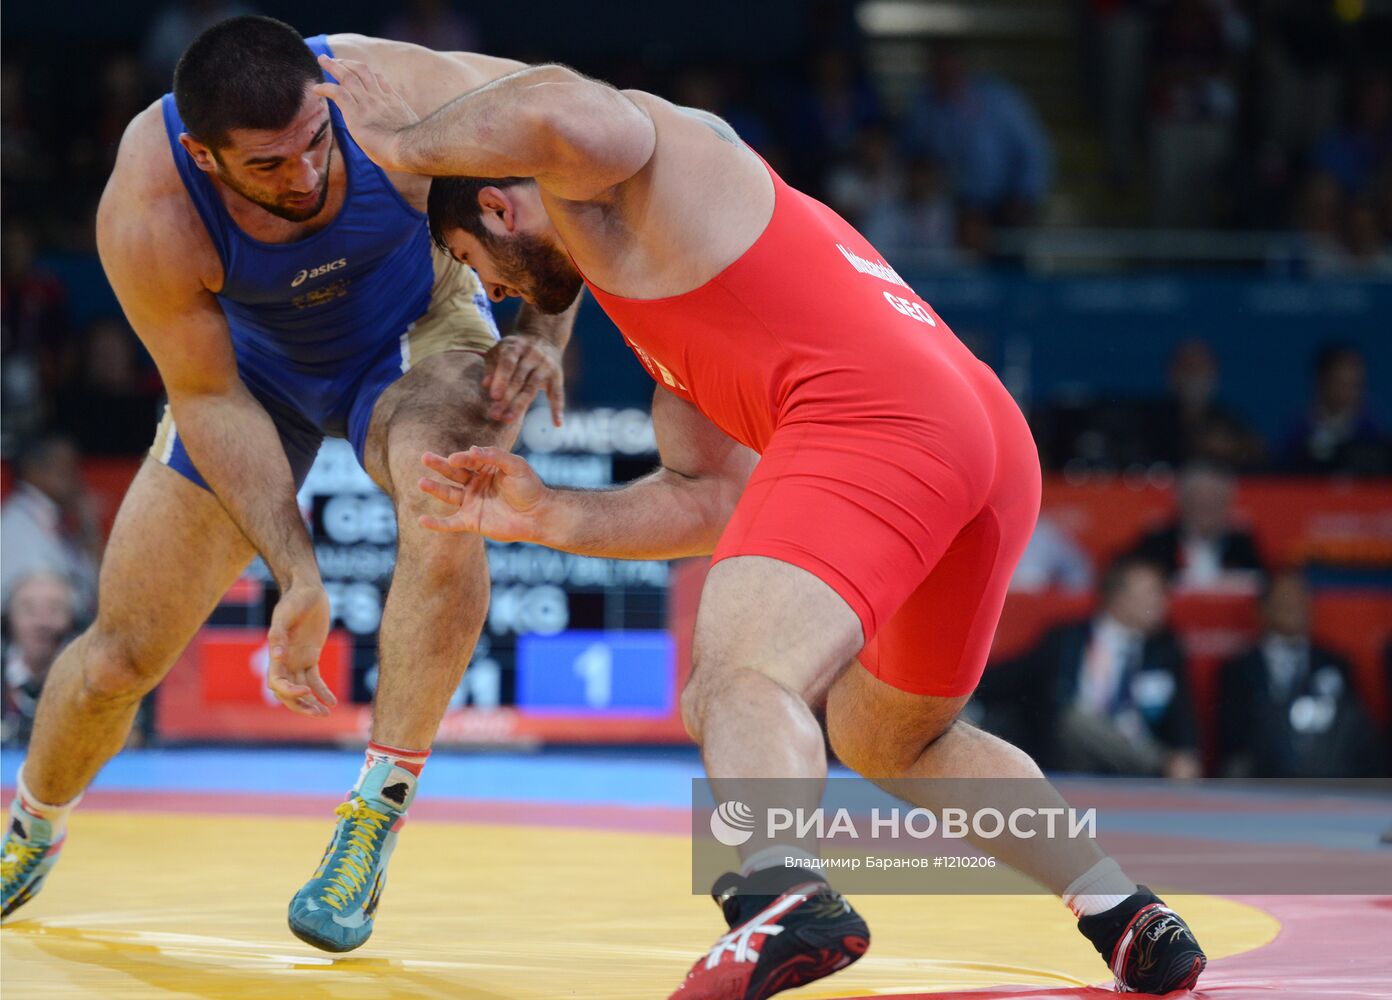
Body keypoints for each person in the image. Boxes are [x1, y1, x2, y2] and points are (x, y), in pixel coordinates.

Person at [319, 55, 1206, 996]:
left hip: (881, 421)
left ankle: (782, 887)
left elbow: (564, 104)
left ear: (499, 209)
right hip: (979, 444)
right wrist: (547, 515)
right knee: (890, 739)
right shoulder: (652, 289)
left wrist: (398, 147)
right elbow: (713, 501)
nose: (492, 296)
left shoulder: (624, 178)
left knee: (738, 678)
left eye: (472, 263)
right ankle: (1122, 911)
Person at [0, 18, 578, 956]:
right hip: (247, 377)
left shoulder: (397, 87)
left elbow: (577, 146)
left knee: (446, 485)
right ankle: (31, 822)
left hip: (415, 334)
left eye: (316, 142)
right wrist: (298, 578)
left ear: (325, 92)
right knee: (121, 656)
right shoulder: (150, 201)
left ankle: (372, 818)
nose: (305, 176)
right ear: (201, 152)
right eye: (267, 166)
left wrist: (539, 333)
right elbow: (208, 397)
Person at [979, 557, 1202, 779]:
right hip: (1075, 760)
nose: (1161, 602)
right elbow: (1009, 678)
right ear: (1118, 597)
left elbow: (1180, 709)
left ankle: (1160, 765)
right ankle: (1160, 765)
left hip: (1138, 758)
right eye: (1151, 593)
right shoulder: (1065, 640)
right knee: (1074, 720)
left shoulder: (1164, 650)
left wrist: (1187, 753)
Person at [1217, 570, 1381, 778]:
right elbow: (1233, 740)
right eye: (1284, 598)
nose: (1292, 606)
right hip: (1265, 781)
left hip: (1330, 782)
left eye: (1299, 598)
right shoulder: (1238, 669)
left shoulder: (1336, 663)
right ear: (1262, 609)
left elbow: (1356, 733)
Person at [0, 434, 102, 617]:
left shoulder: (55, 521)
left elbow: (94, 587)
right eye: (68, 468)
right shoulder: (16, 525)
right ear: (34, 470)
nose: (78, 479)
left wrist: (88, 526)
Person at [1127, 460, 1264, 588]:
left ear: (1227, 504)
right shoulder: (1157, 541)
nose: (1206, 507)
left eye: (1214, 500)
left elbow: (1261, 583)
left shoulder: (1241, 542)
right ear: (1181, 501)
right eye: (1198, 499)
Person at [1, 572, 78, 748]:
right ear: (8, 619)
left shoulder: (92, 681)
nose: (41, 622)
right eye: (29, 610)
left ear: (74, 621)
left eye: (54, 610)